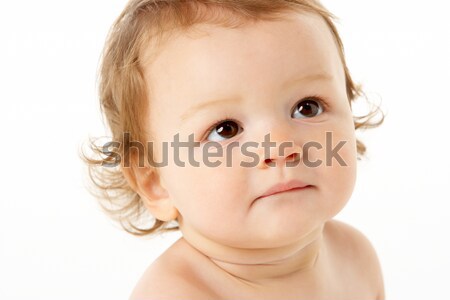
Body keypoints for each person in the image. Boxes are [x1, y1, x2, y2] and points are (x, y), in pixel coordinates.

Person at [82, 0, 385, 298]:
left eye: (307, 107)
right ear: (155, 181)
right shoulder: (177, 294)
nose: (280, 147)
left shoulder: (355, 258)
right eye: (226, 129)